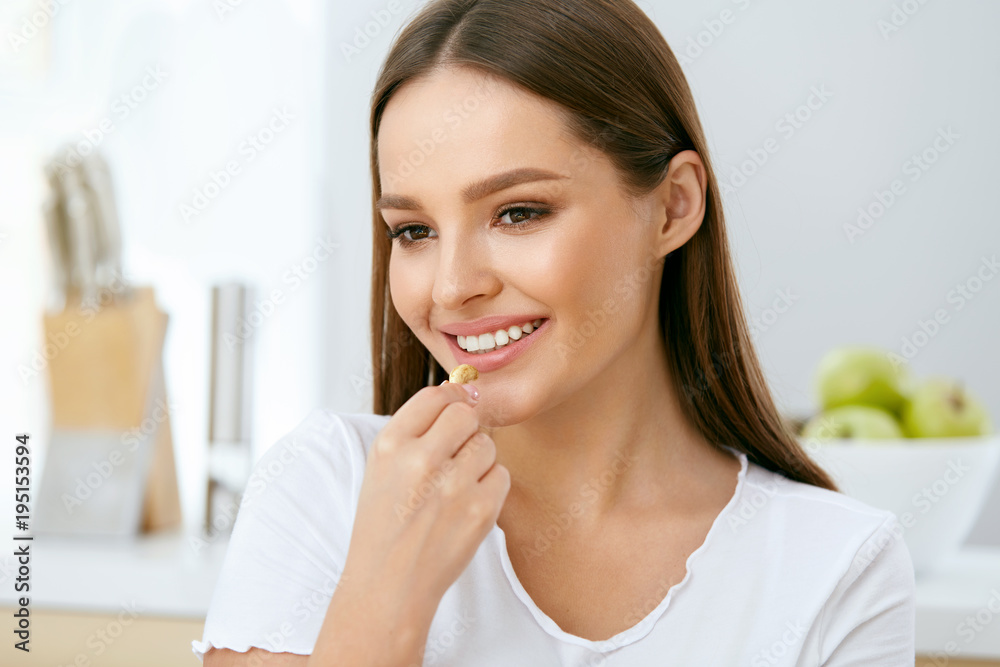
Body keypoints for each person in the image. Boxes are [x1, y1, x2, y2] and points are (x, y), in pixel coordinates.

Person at [194, 0, 916, 664]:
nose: (451, 286)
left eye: (518, 212)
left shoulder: (836, 567)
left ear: (672, 206)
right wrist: (386, 605)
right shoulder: (327, 491)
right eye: (413, 230)